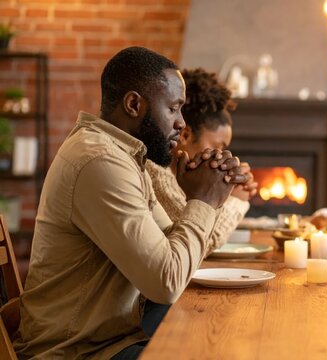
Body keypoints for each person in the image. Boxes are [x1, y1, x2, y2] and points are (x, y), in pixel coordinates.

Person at [13, 46, 246, 359]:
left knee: (223, 331)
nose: (181, 123)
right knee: (218, 345)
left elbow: (171, 252)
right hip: (76, 352)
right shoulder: (100, 162)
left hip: (113, 338)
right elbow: (166, 281)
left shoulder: (124, 156)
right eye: (174, 108)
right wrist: (203, 201)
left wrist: (199, 196)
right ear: (134, 104)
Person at [147, 68, 257, 252]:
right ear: (186, 134)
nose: (221, 153)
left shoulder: (176, 176)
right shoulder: (157, 176)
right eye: (218, 145)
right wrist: (236, 200)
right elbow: (202, 241)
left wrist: (227, 191)